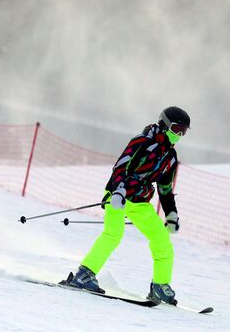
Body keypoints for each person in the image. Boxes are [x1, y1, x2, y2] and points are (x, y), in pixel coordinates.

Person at [67, 106, 190, 304]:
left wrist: (171, 214)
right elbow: (120, 167)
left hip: (140, 201)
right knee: (113, 234)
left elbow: (165, 188)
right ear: (165, 125)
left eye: (183, 132)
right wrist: (118, 191)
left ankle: (160, 285)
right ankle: (84, 274)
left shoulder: (171, 157)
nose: (179, 135)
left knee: (162, 241)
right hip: (119, 194)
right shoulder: (142, 142)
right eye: (176, 129)